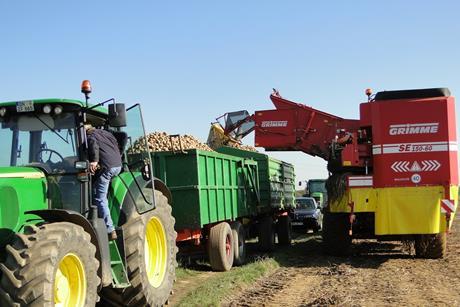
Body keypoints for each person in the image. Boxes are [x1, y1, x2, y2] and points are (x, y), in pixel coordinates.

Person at [86, 124, 122, 240]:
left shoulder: (90, 136)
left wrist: (94, 162)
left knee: (99, 198)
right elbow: (117, 145)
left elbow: (94, 146)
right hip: (117, 165)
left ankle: (110, 230)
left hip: (107, 167)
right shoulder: (107, 133)